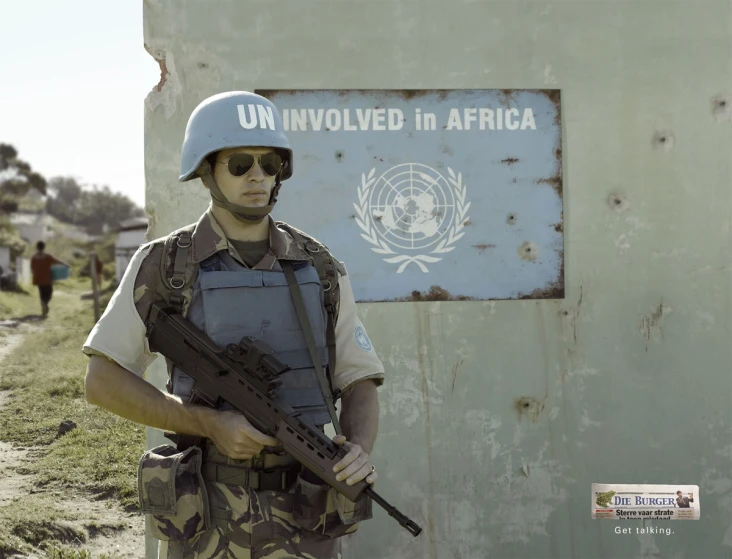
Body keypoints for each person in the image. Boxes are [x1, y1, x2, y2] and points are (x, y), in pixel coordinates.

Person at [82, 91, 385, 559]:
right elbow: (102, 380)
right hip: (206, 520)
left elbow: (359, 378)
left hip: (306, 515)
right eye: (240, 163)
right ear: (207, 171)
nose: (258, 176)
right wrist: (206, 422)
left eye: (270, 164)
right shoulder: (164, 266)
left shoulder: (319, 267)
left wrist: (358, 449)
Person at [30, 241, 68, 317]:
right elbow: (56, 261)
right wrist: (65, 264)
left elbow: (32, 268)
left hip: (38, 278)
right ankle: (45, 303)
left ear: (37, 247)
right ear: (44, 247)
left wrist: (35, 274)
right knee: (49, 293)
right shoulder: (47, 256)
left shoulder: (34, 257)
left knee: (42, 292)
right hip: (46, 278)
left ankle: (43, 304)